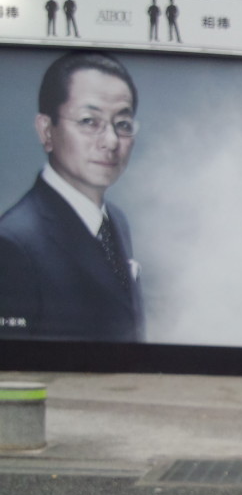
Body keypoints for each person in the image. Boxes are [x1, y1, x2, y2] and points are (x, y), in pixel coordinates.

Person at [0, 51, 144, 342]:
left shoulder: (116, 220)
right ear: (46, 131)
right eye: (89, 121)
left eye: (123, 124)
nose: (111, 141)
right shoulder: (14, 243)